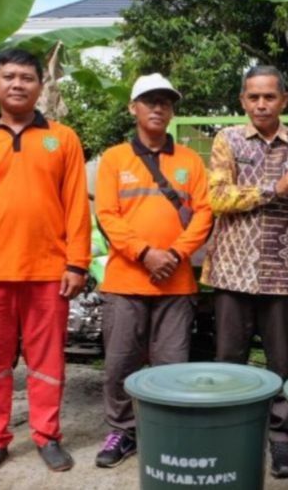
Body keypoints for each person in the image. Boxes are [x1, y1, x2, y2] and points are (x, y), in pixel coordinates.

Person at [0, 49, 91, 477]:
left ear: (41, 86)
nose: (18, 84)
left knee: (48, 362)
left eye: (27, 77)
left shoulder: (63, 139)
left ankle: (47, 436)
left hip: (48, 274)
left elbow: (76, 205)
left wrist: (76, 263)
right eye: (9, 76)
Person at [201, 65, 288, 478]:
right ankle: (227, 435)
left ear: (284, 100)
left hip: (282, 273)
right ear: (243, 100)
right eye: (254, 97)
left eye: (270, 97)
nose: (262, 104)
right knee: (229, 359)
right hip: (233, 271)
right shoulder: (227, 139)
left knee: (281, 361)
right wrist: (272, 189)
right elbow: (216, 197)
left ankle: (281, 442)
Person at [93, 73, 212, 468]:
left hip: (176, 284)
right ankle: (122, 431)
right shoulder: (114, 159)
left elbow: (205, 214)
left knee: (172, 366)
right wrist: (145, 253)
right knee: (120, 364)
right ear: (133, 108)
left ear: (172, 110)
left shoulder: (190, 161)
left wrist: (175, 254)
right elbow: (107, 215)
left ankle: (166, 432)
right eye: (149, 101)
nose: (157, 108)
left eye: (165, 101)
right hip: (126, 282)